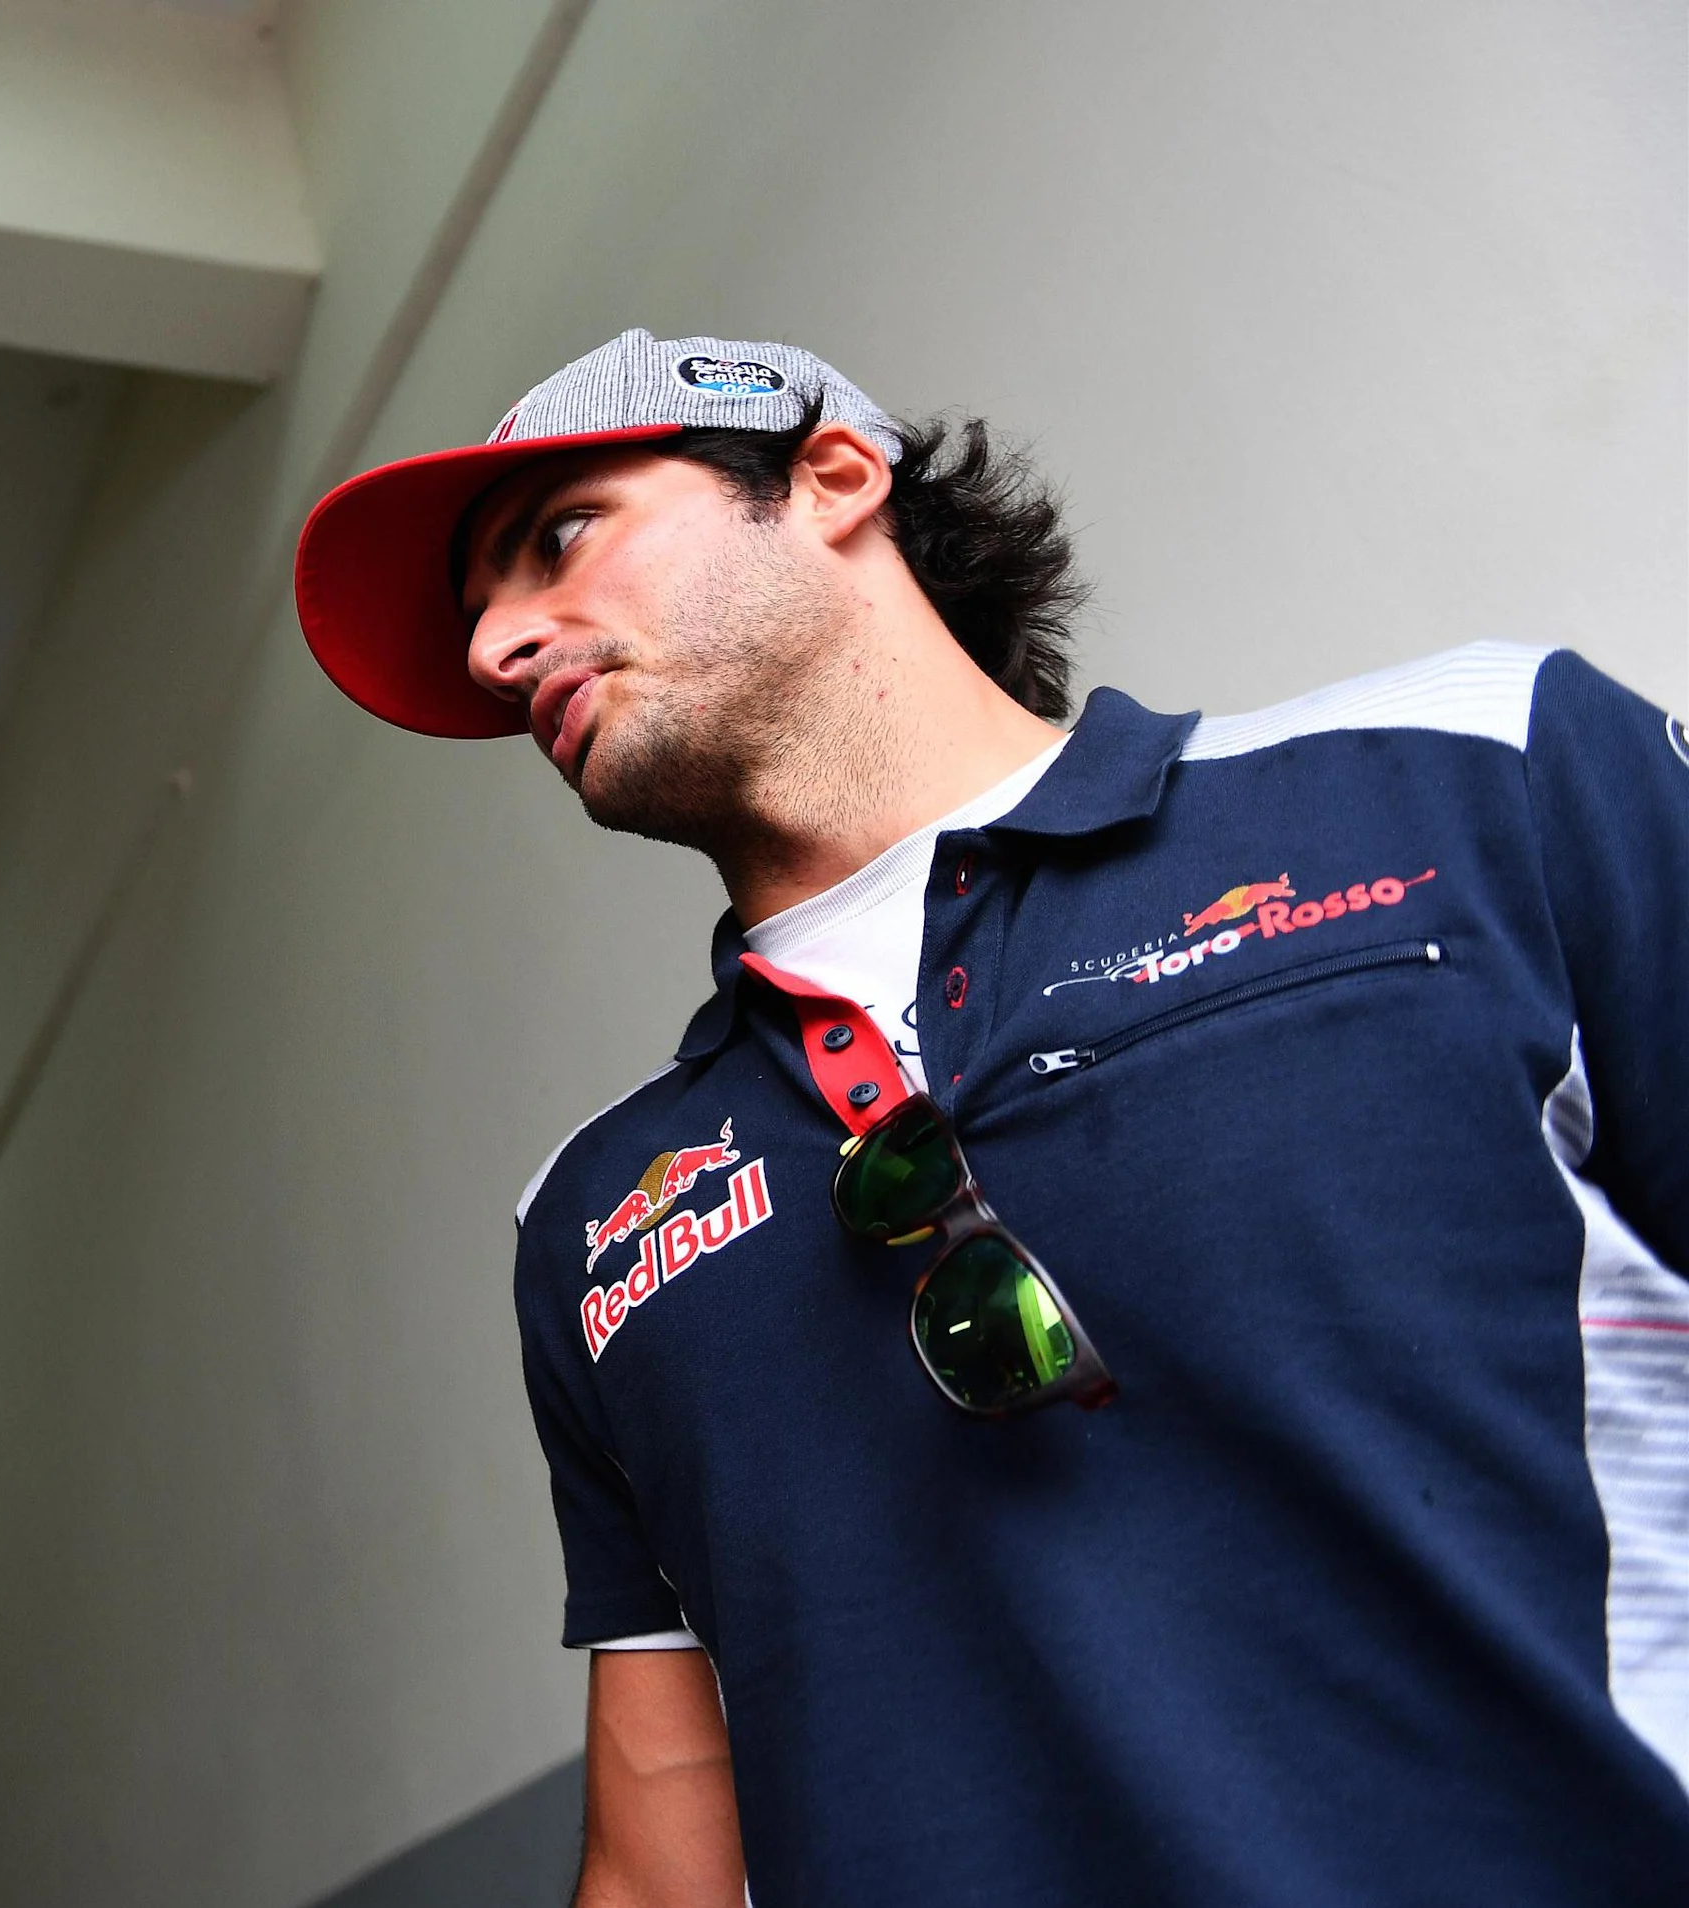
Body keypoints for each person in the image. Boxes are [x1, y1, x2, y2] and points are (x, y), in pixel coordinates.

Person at [294, 329, 1689, 1905]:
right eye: (479, 611)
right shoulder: (594, 1218)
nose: (496, 646)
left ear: (830, 476)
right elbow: (662, 1860)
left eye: (556, 539)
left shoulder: (1471, 776)